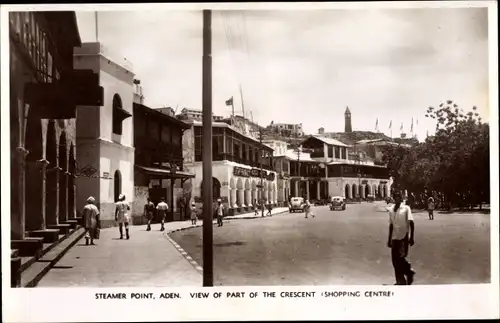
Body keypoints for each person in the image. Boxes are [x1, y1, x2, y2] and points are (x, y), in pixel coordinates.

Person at [387, 192, 416, 285]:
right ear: (394, 198)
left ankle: (408, 272)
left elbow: (411, 223)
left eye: (399, 197)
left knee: (400, 258)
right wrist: (389, 239)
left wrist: (412, 237)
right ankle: (400, 280)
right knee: (394, 260)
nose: (397, 199)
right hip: (394, 237)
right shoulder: (391, 209)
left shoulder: (406, 208)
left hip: (403, 237)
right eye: (396, 197)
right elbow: (391, 225)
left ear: (402, 198)